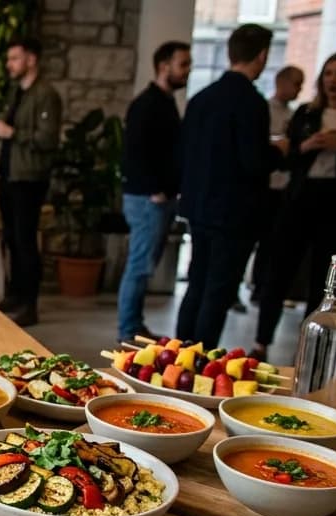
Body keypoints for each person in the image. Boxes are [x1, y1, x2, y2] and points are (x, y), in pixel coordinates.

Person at [176, 24, 285, 349]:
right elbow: (253, 162)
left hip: (199, 206)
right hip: (234, 211)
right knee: (218, 289)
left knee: (197, 284)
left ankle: (178, 354)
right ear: (262, 56)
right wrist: (279, 152)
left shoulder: (200, 98)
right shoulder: (251, 102)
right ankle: (202, 359)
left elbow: (185, 154)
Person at [253, 52, 336, 360]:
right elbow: (286, 159)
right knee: (279, 270)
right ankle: (262, 340)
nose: (334, 80)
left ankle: (312, 345)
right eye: (329, 73)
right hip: (300, 197)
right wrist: (307, 146)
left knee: (324, 276)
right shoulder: (306, 113)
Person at [117, 41, 192, 344]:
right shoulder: (147, 104)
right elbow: (133, 153)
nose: (187, 70)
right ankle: (127, 330)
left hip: (155, 197)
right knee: (139, 266)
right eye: (183, 64)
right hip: (147, 199)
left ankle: (134, 325)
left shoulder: (164, 102)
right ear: (164, 66)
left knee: (144, 265)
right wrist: (156, 190)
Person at [0, 38, 62, 327]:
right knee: (10, 237)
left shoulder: (46, 95)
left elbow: (47, 139)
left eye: (15, 58)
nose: (10, 64)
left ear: (31, 59)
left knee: (25, 240)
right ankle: (15, 294)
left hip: (29, 178)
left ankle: (29, 304)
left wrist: (11, 133)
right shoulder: (16, 92)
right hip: (9, 175)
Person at [249, 65, 304, 306]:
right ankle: (253, 285)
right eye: (296, 83)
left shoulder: (295, 114)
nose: (299, 89)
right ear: (281, 83)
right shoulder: (263, 109)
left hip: (285, 187)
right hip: (263, 187)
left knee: (273, 243)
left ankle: (264, 288)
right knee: (256, 240)